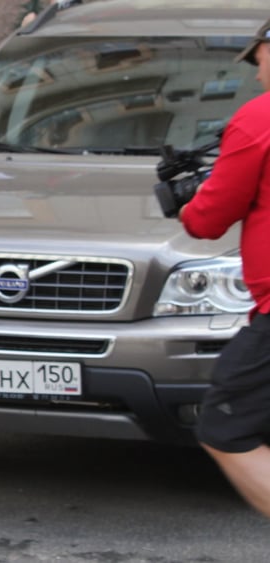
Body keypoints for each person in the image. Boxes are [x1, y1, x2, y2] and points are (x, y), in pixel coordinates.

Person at [179, 17, 270, 518]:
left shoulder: (260, 120)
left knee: (225, 427)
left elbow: (207, 218)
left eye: (258, 59)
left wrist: (187, 202)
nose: (258, 74)